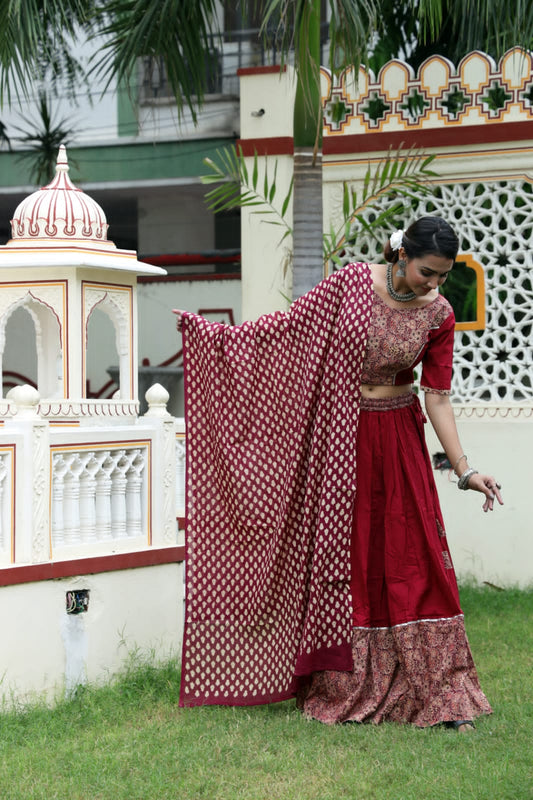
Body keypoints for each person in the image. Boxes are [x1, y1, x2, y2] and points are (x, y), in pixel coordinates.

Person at [174, 216, 503, 732]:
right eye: (427, 272)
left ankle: (440, 688)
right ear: (402, 255)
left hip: (397, 440)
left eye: (442, 276)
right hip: (340, 439)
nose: (433, 284)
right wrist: (213, 337)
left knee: (412, 557)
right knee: (343, 556)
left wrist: (465, 470)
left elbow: (437, 396)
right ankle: (343, 684)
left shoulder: (439, 313)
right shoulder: (349, 284)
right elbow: (283, 333)